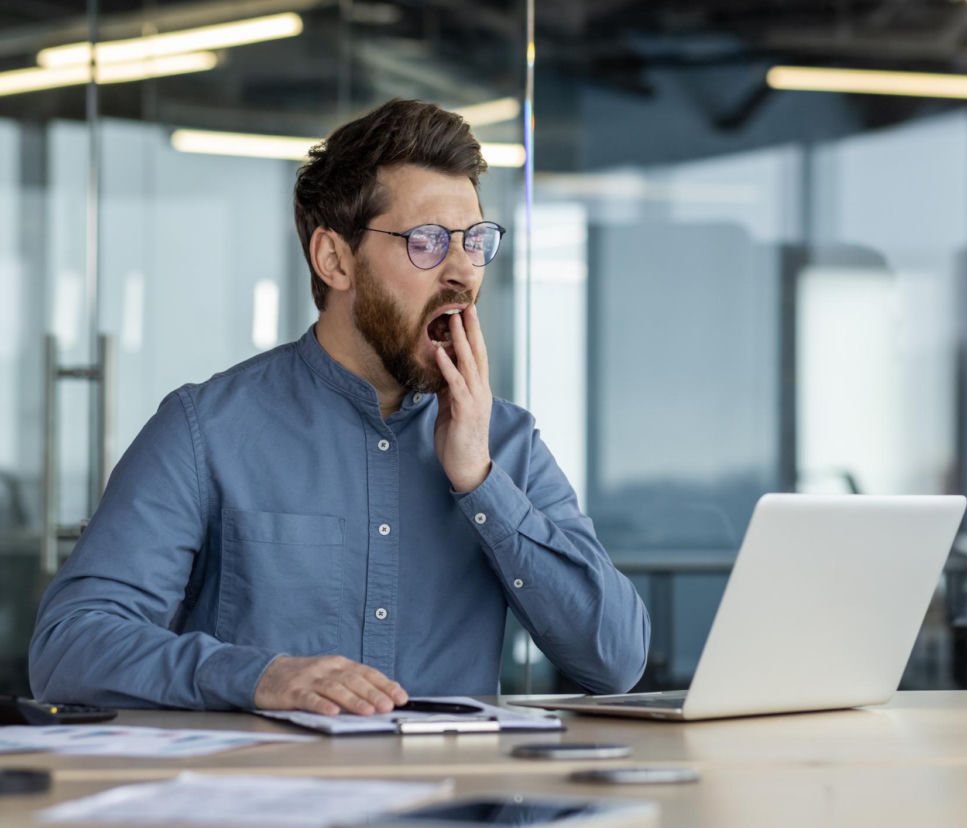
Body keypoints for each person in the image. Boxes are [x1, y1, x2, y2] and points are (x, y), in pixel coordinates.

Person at [29, 99, 650, 715]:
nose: (462, 270)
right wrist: (257, 676)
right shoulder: (206, 430)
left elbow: (615, 661)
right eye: (428, 241)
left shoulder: (505, 442)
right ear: (335, 259)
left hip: (455, 807)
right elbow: (68, 649)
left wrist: (481, 483)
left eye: (473, 240)